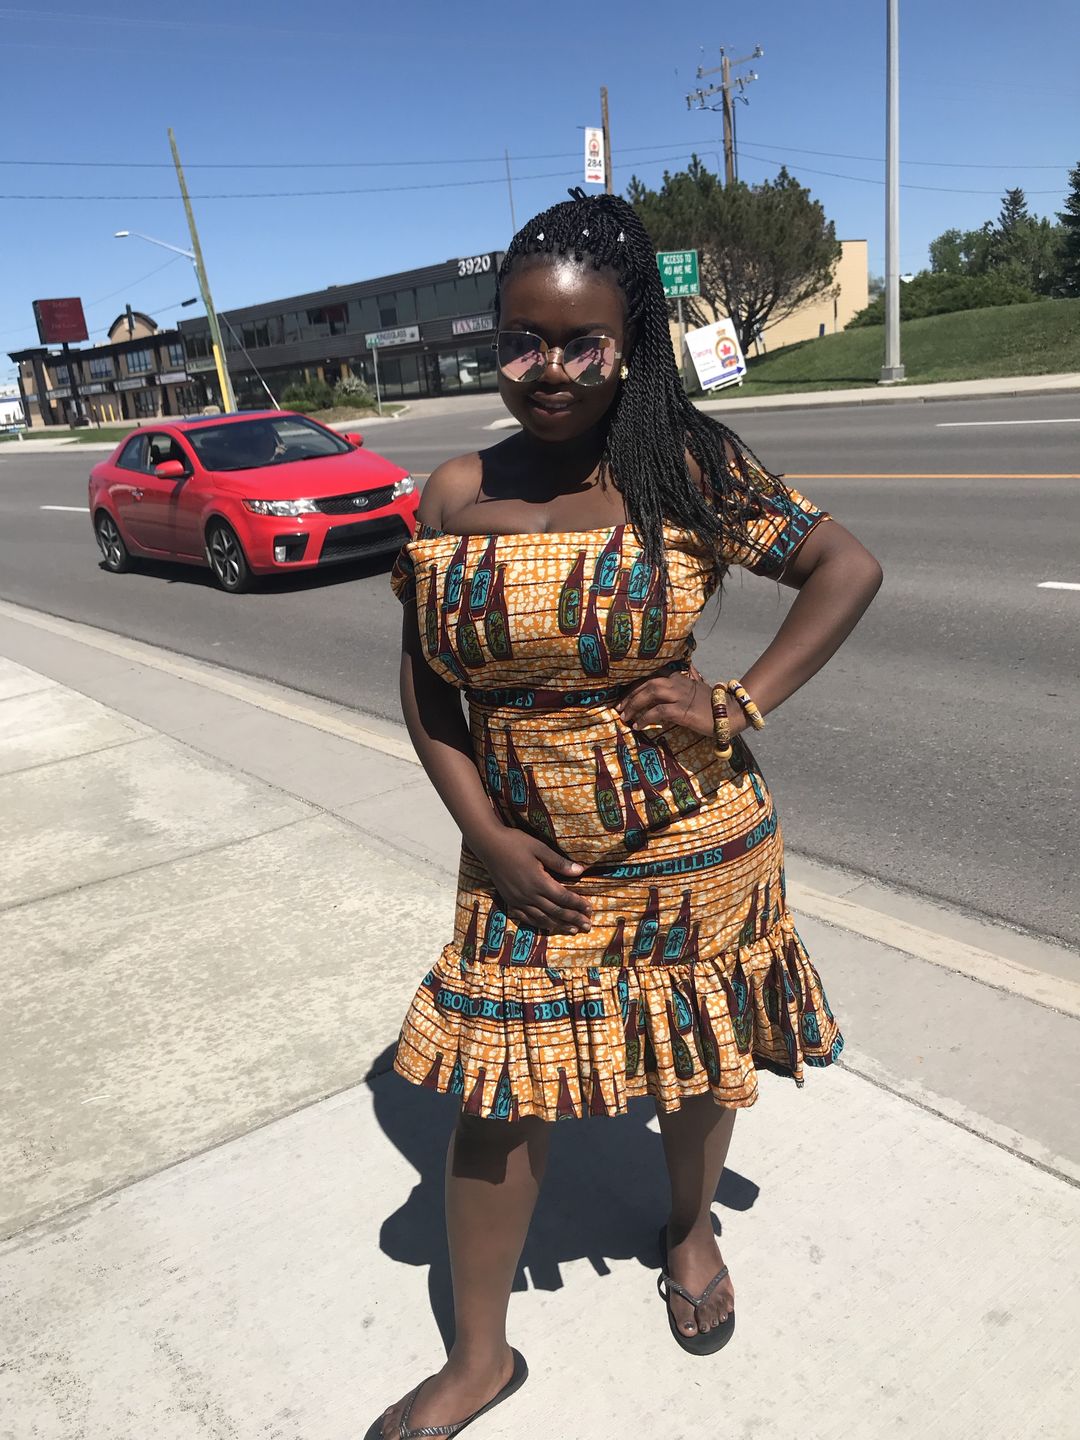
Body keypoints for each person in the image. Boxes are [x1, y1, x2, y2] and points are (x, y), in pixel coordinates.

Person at [369, 190, 882, 1439]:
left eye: (581, 345)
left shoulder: (687, 469)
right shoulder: (454, 492)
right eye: (520, 342)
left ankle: (690, 1231)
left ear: (631, 344)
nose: (547, 372)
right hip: (523, 858)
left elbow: (844, 567)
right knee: (496, 1096)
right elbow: (428, 690)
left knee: (694, 1057)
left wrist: (736, 701)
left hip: (692, 844)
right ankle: (480, 1358)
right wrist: (489, 839)